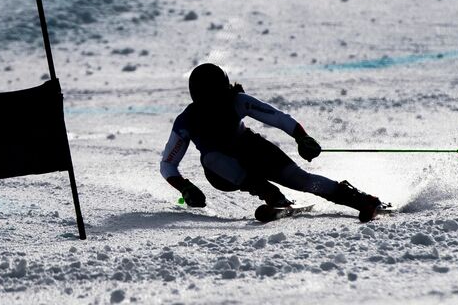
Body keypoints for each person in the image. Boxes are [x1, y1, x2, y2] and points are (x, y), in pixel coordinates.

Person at [160, 63, 383, 222]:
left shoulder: (236, 100)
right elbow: (168, 165)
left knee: (301, 179)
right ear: (197, 98)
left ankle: (360, 200)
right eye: (209, 99)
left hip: (253, 150)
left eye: (219, 96)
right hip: (224, 174)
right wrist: (185, 187)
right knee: (211, 157)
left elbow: (277, 117)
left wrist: (301, 137)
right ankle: (268, 192)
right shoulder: (186, 121)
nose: (216, 104)